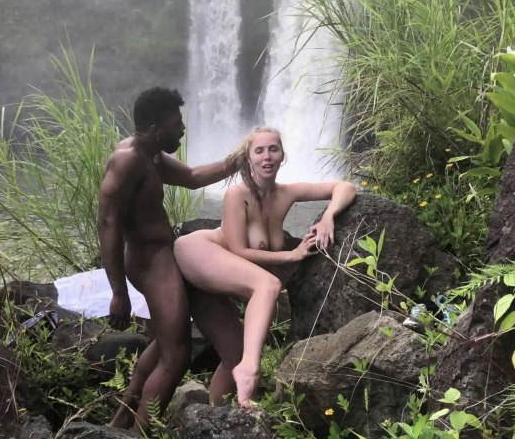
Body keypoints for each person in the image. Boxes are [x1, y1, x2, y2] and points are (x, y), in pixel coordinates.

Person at [173, 127, 357, 408]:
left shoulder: (287, 193)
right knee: (268, 286)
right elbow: (237, 250)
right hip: (198, 251)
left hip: (226, 273)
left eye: (273, 149)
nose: (267, 157)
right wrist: (291, 255)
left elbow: (345, 187)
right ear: (248, 158)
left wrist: (328, 217)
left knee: (236, 352)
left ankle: (216, 413)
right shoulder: (237, 194)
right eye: (259, 151)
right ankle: (250, 371)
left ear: (283, 155)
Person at [98, 87, 239, 432]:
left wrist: (239, 159)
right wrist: (118, 292)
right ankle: (139, 432)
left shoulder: (152, 155)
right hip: (150, 264)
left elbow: (191, 178)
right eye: (177, 123)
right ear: (156, 129)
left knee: (165, 343)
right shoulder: (128, 160)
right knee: (176, 356)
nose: (183, 129)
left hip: (163, 257)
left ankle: (121, 421)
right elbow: (108, 224)